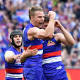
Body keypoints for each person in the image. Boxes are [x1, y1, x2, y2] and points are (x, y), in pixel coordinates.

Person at [22, 6, 56, 80]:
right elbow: (49, 35)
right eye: (39, 17)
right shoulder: (31, 30)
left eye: (43, 17)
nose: (42, 19)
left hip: (37, 67)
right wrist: (52, 18)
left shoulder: (36, 29)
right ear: (32, 17)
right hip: (33, 68)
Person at [42, 16, 75, 80]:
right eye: (45, 26)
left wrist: (61, 27)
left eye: (49, 25)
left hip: (59, 73)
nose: (47, 28)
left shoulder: (57, 37)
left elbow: (72, 42)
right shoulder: (38, 39)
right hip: (44, 74)